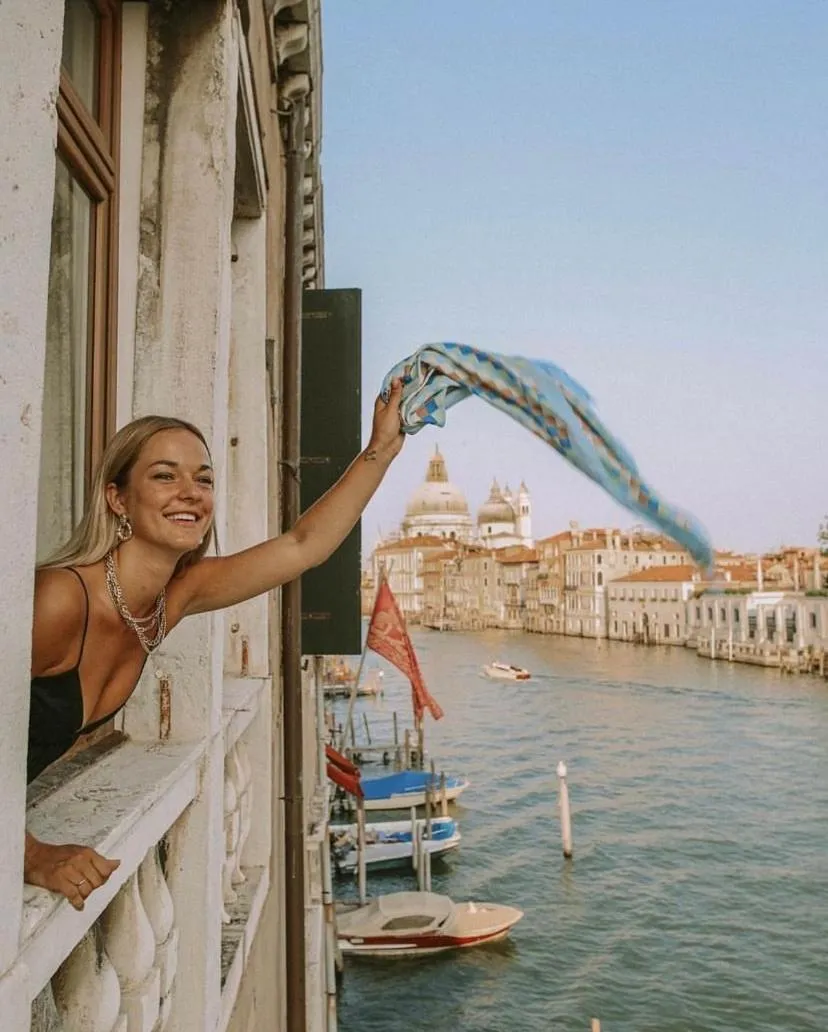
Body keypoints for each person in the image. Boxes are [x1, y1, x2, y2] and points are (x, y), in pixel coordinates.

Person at [25, 380, 405, 911]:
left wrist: (381, 449)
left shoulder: (172, 596)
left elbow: (303, 547)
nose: (191, 492)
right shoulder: (61, 599)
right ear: (117, 498)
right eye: (164, 476)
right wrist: (30, 855)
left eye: (203, 479)